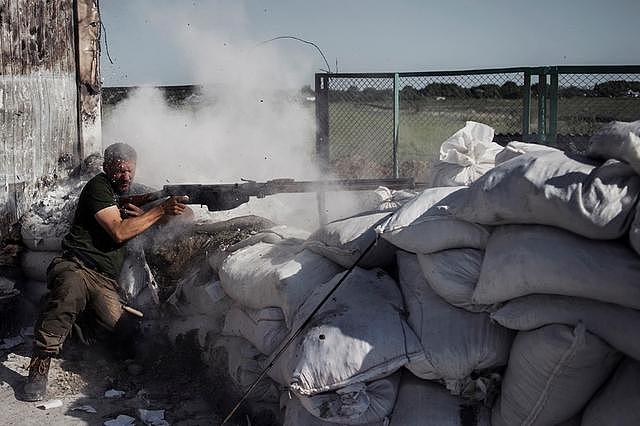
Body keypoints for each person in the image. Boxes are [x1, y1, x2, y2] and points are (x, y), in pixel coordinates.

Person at [19, 143, 190, 402]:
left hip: (104, 280)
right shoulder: (98, 187)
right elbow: (119, 231)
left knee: (123, 336)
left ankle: (73, 329)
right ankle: (39, 366)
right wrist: (157, 211)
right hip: (77, 265)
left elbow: (185, 215)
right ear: (107, 168)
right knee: (68, 293)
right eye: (120, 171)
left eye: (130, 171)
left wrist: (163, 210)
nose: (126, 177)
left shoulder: (134, 192)